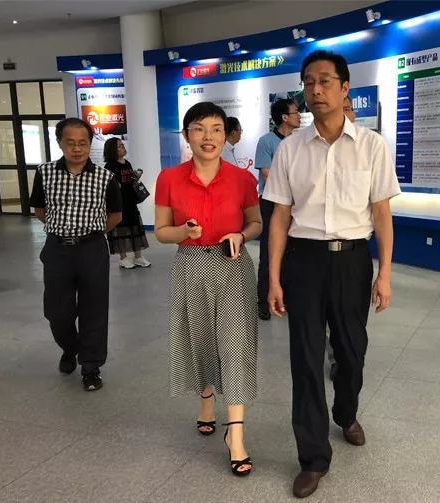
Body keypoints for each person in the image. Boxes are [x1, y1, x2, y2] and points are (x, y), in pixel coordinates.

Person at [264, 50, 401, 498]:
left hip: (351, 262)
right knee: (305, 358)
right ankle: (313, 457)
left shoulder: (371, 146)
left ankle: (346, 412)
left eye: (325, 81)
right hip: (303, 260)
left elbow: (382, 214)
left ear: (345, 89)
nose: (316, 90)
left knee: (351, 351)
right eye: (308, 82)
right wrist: (274, 279)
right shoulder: (290, 148)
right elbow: (279, 218)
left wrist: (385, 273)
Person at [154, 102, 262, 477]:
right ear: (187, 135)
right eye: (199, 129)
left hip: (232, 264)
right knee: (199, 339)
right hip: (190, 263)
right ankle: (205, 401)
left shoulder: (241, 179)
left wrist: (241, 234)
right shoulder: (169, 178)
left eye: (216, 129)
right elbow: (161, 231)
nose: (208, 137)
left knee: (235, 346)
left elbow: (256, 222)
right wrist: (183, 232)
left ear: (225, 135)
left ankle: (236, 434)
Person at [29, 118, 123, 392]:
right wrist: (63, 230)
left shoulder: (105, 178)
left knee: (94, 309)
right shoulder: (45, 173)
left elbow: (115, 215)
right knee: (57, 312)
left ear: (90, 144)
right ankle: (71, 348)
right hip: (57, 249)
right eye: (70, 143)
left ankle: (91, 367)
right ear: (60, 143)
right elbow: (39, 210)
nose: (77, 149)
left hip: (92, 249)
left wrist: (89, 233)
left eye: (83, 143)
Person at [254, 99, 301, 320]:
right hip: (271, 204)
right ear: (284, 117)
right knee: (269, 253)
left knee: (292, 254)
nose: (299, 116)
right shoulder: (266, 142)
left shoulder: (299, 142)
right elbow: (267, 175)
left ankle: (285, 298)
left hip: (295, 204)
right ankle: (263, 301)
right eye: (295, 112)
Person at [327, 94, 358, 381]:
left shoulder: (367, 147)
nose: (347, 113)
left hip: (351, 255)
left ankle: (344, 358)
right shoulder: (297, 148)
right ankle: (334, 357)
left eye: (349, 108)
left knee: (349, 324)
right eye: (343, 108)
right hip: (312, 253)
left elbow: (381, 213)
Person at [103, 138, 151, 269]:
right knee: (121, 229)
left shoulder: (127, 163)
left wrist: (135, 178)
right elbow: (111, 186)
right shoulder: (110, 166)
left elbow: (130, 182)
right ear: (112, 149)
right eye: (119, 146)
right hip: (119, 201)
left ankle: (138, 256)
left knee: (135, 226)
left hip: (130, 200)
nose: (122, 147)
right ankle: (123, 258)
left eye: (122, 145)